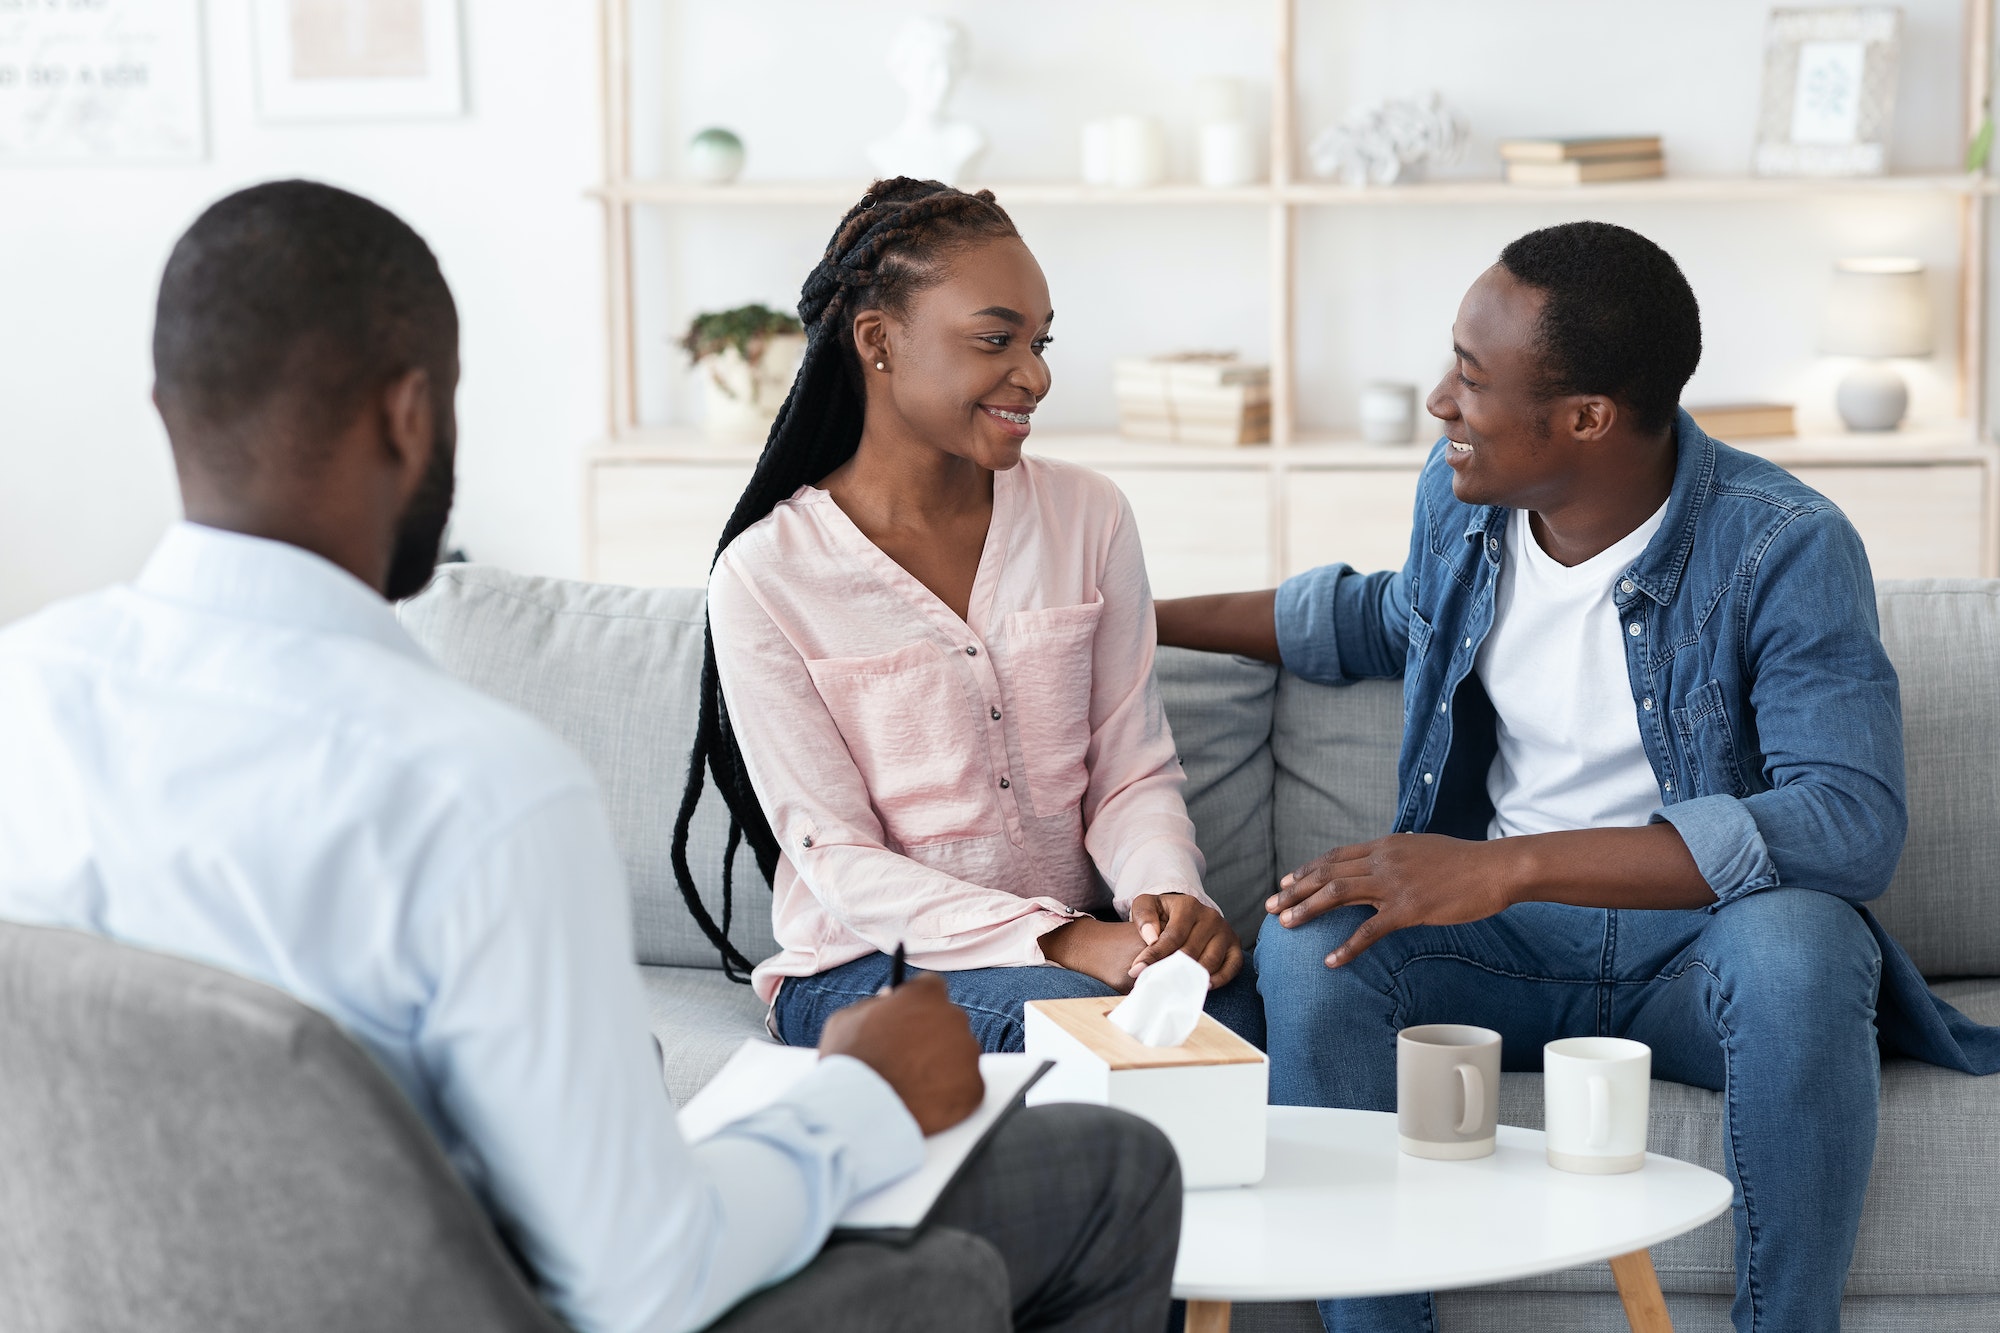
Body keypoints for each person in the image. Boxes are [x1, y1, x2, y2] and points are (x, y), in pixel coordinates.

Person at [0, 179, 1184, 1333]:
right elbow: (642, 1283)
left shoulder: (23, 699)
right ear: (413, 415)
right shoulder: (476, 794)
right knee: (1112, 1171)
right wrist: (860, 1103)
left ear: (167, 407)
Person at [1155, 220, 2000, 1333]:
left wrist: (1504, 867)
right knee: (1308, 945)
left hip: (1698, 949)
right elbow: (1390, 616)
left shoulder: (1784, 545)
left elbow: (1846, 823)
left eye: (1469, 377)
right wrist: (1137, 619)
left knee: (1802, 945)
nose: (1438, 406)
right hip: (1499, 955)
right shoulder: (1462, 501)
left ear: (1586, 418)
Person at [672, 177, 1264, 1053]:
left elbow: (1129, 771)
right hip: (867, 963)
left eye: (1040, 340)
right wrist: (1063, 939)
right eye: (997, 340)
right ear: (878, 340)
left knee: (1231, 1019)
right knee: (1094, 1036)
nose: (1036, 374)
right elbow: (838, 859)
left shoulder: (1089, 516)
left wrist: (1164, 901)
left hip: (1085, 944)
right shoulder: (767, 575)